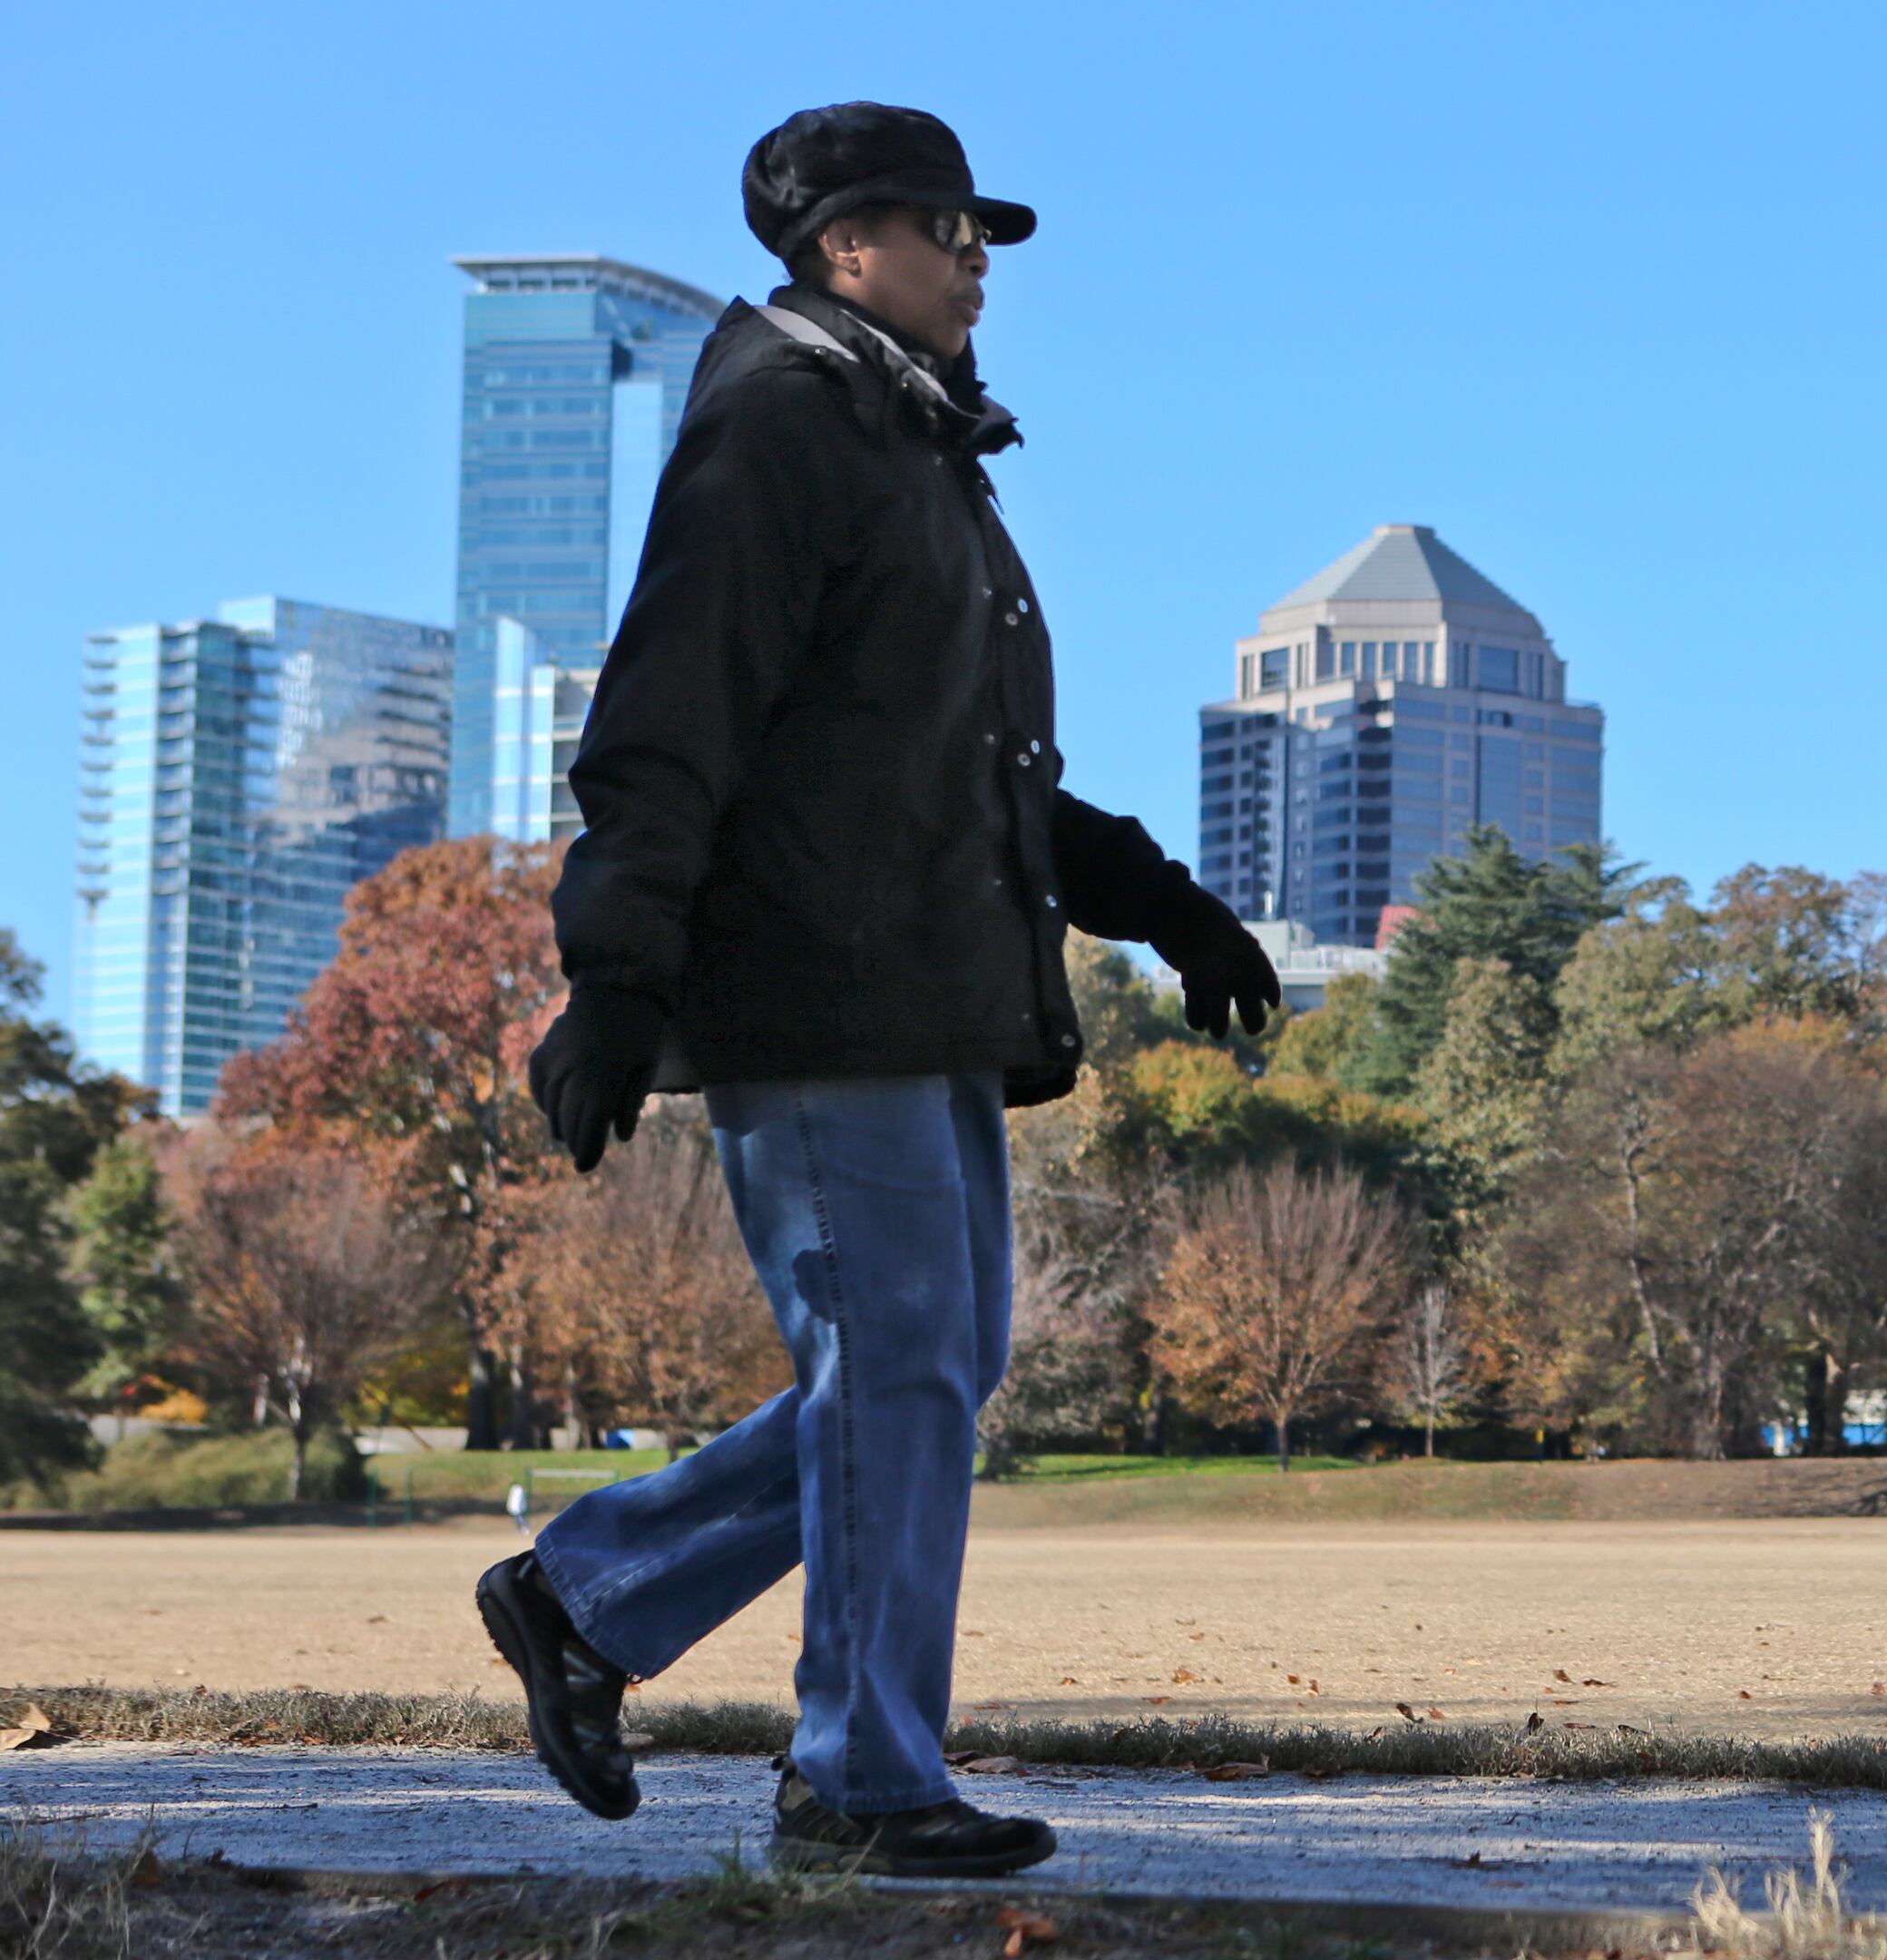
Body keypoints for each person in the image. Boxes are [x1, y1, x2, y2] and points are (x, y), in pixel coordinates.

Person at [471, 103, 1280, 1879]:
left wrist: (1168, 906)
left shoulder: (915, 449)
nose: (978, 259)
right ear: (846, 245)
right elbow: (669, 710)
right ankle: (856, 1776)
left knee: (929, 1371)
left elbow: (959, 768)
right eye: (948, 228)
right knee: (897, 1364)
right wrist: (614, 974)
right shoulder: (777, 422)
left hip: (927, 994)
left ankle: (587, 1596)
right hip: (812, 989)